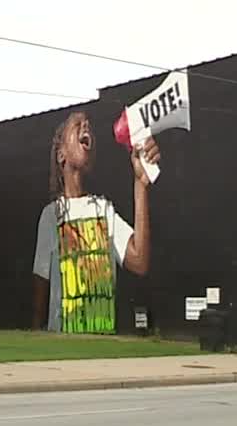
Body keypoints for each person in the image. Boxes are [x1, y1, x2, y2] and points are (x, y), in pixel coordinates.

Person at [32, 110, 158, 334]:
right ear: (61, 154)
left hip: (99, 349)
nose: (86, 126)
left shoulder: (104, 210)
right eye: (77, 124)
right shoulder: (51, 215)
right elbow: (40, 285)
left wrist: (140, 184)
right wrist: (36, 338)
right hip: (60, 347)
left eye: (88, 124)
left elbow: (140, 262)